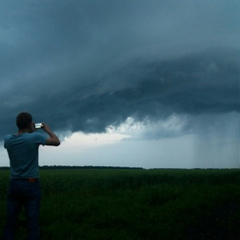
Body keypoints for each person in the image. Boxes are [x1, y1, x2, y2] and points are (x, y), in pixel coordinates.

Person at [2, 112, 60, 240]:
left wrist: (28, 130)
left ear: (17, 124)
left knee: (11, 220)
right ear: (30, 124)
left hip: (14, 184)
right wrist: (47, 130)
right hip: (31, 183)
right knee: (32, 221)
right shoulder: (35, 137)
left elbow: (21, 138)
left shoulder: (8, 140)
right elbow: (56, 142)